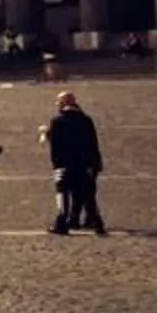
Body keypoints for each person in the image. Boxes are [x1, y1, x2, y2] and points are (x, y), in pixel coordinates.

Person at [45, 90, 106, 236]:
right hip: (84, 164)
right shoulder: (86, 120)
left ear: (63, 103)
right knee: (87, 195)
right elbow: (93, 143)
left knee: (63, 195)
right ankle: (97, 223)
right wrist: (93, 163)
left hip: (65, 165)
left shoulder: (57, 121)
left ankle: (62, 223)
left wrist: (56, 164)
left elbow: (55, 146)